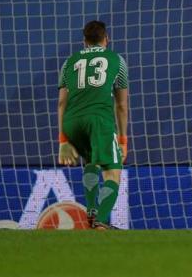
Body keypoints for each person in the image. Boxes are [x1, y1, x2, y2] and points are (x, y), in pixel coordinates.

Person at [57, 20, 129, 230]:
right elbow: (122, 105)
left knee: (91, 161)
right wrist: (123, 139)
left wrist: (63, 140)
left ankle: (90, 210)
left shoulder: (69, 62)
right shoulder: (117, 60)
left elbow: (61, 102)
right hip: (99, 120)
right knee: (112, 172)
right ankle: (101, 222)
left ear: (84, 41)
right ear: (106, 39)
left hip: (72, 122)